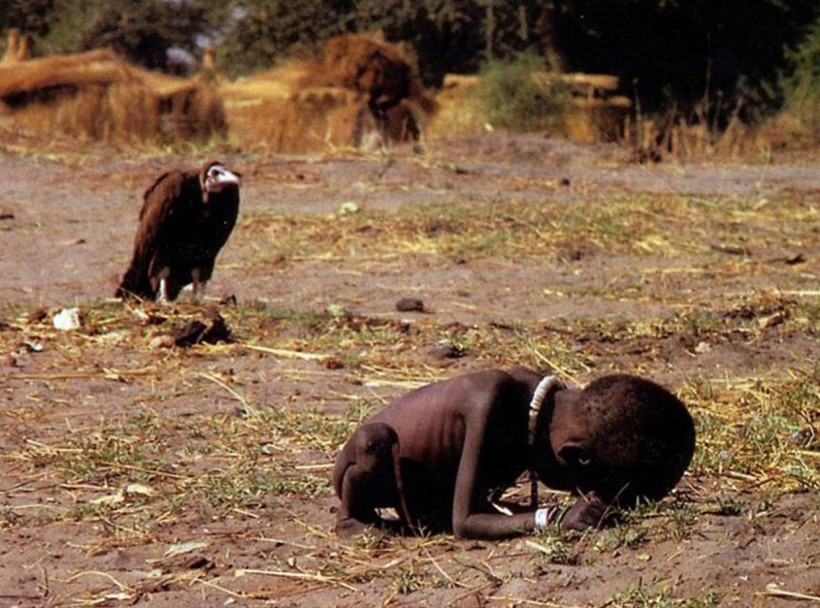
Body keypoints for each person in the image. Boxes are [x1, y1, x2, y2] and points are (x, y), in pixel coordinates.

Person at [332, 367, 695, 539]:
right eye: (585, 488)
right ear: (574, 457)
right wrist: (551, 518)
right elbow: (465, 523)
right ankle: (352, 518)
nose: (584, 497)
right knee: (372, 444)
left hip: (431, 489)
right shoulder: (491, 401)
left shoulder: (550, 410)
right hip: (374, 470)